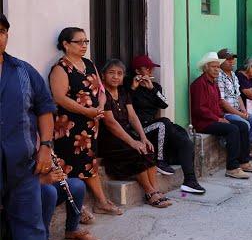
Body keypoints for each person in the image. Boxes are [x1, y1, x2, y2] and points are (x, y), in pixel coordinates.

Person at [0, 13, 57, 240]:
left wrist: (46, 146)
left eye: (2, 31)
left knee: (30, 226)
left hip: (23, 165)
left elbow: (45, 107)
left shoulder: (23, 71)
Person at [49, 27, 122, 219]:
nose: (84, 46)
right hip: (70, 127)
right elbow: (60, 98)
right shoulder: (61, 68)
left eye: (86, 42)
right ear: (66, 44)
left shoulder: (88, 64)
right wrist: (87, 111)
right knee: (71, 165)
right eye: (79, 42)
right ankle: (79, 208)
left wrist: (100, 106)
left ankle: (98, 203)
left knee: (89, 163)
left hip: (90, 124)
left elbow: (100, 91)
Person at [99, 59, 172, 208]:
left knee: (148, 148)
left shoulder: (123, 92)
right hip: (109, 139)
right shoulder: (102, 95)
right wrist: (133, 142)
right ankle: (150, 192)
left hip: (125, 135)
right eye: (111, 73)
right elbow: (110, 123)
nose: (115, 76)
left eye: (119, 73)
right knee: (135, 151)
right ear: (103, 75)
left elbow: (132, 116)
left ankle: (155, 189)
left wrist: (143, 138)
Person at [129, 54, 206, 195]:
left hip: (156, 126)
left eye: (151, 68)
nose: (151, 72)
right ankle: (159, 160)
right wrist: (133, 88)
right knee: (163, 124)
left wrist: (152, 88)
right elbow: (124, 105)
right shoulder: (129, 88)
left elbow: (164, 104)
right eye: (148, 69)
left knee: (184, 140)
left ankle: (190, 181)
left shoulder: (155, 87)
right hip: (138, 129)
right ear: (138, 71)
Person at [190, 52, 252, 180]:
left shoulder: (213, 83)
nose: (217, 69)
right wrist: (218, 119)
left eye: (217, 66)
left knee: (243, 125)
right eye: (213, 67)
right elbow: (200, 109)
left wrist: (222, 117)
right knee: (233, 129)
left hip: (215, 118)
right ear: (206, 68)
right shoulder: (199, 84)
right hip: (204, 123)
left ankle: (243, 162)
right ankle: (232, 168)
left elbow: (217, 105)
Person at [40, 160, 97, 240]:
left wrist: (55, 172)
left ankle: (72, 229)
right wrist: (42, 179)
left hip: (44, 182)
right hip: (29, 190)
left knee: (77, 185)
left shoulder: (44, 145)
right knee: (49, 192)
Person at [217, 48, 252, 153]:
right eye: (228, 59)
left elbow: (238, 96)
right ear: (220, 61)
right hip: (226, 113)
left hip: (237, 110)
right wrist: (240, 114)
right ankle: (243, 152)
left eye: (233, 59)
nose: (232, 61)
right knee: (245, 124)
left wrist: (243, 111)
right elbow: (222, 101)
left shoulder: (233, 75)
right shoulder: (219, 77)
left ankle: (245, 149)